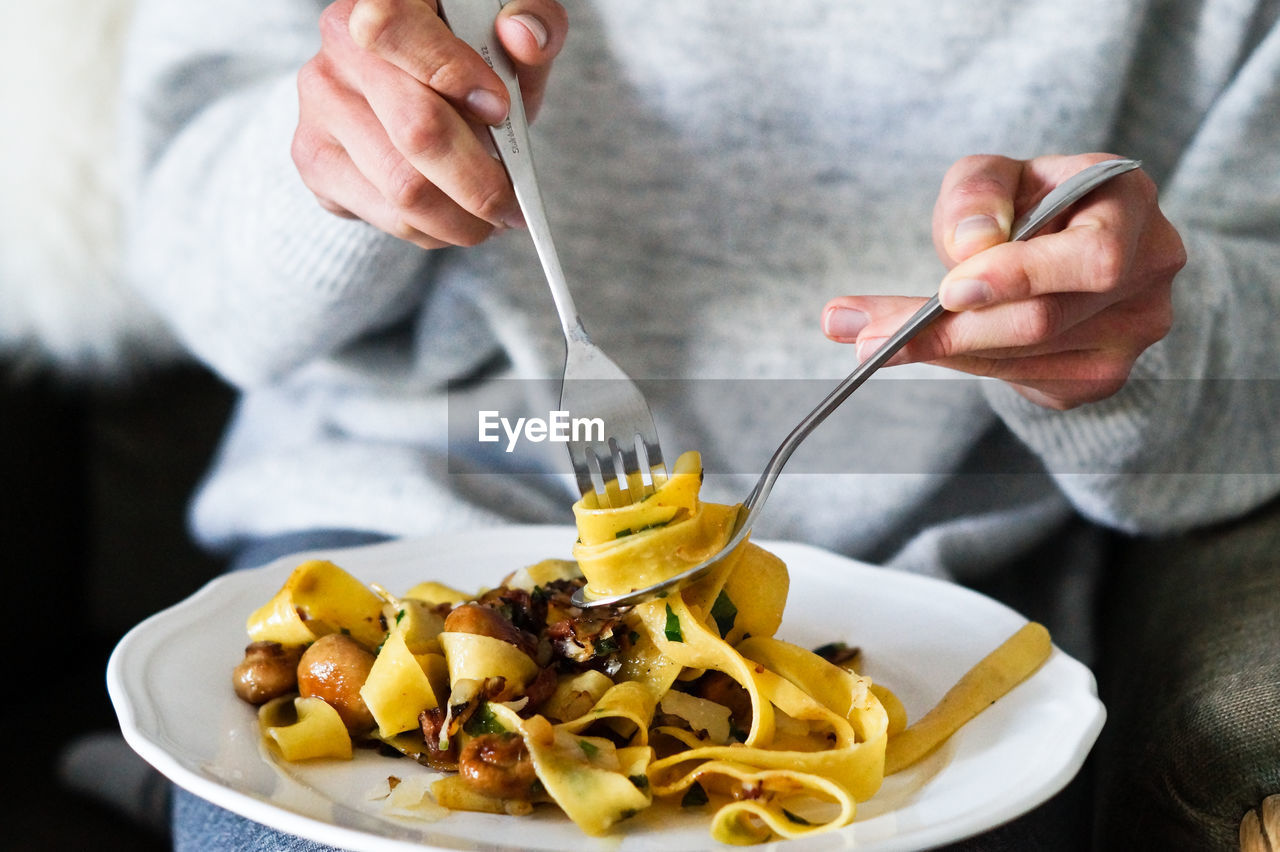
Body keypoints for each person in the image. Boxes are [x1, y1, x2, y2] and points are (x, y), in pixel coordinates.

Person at [118, 0, 1280, 848]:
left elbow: (1247, 400)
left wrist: (1123, 339)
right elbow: (183, 278)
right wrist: (327, 168)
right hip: (382, 513)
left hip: (924, 597)